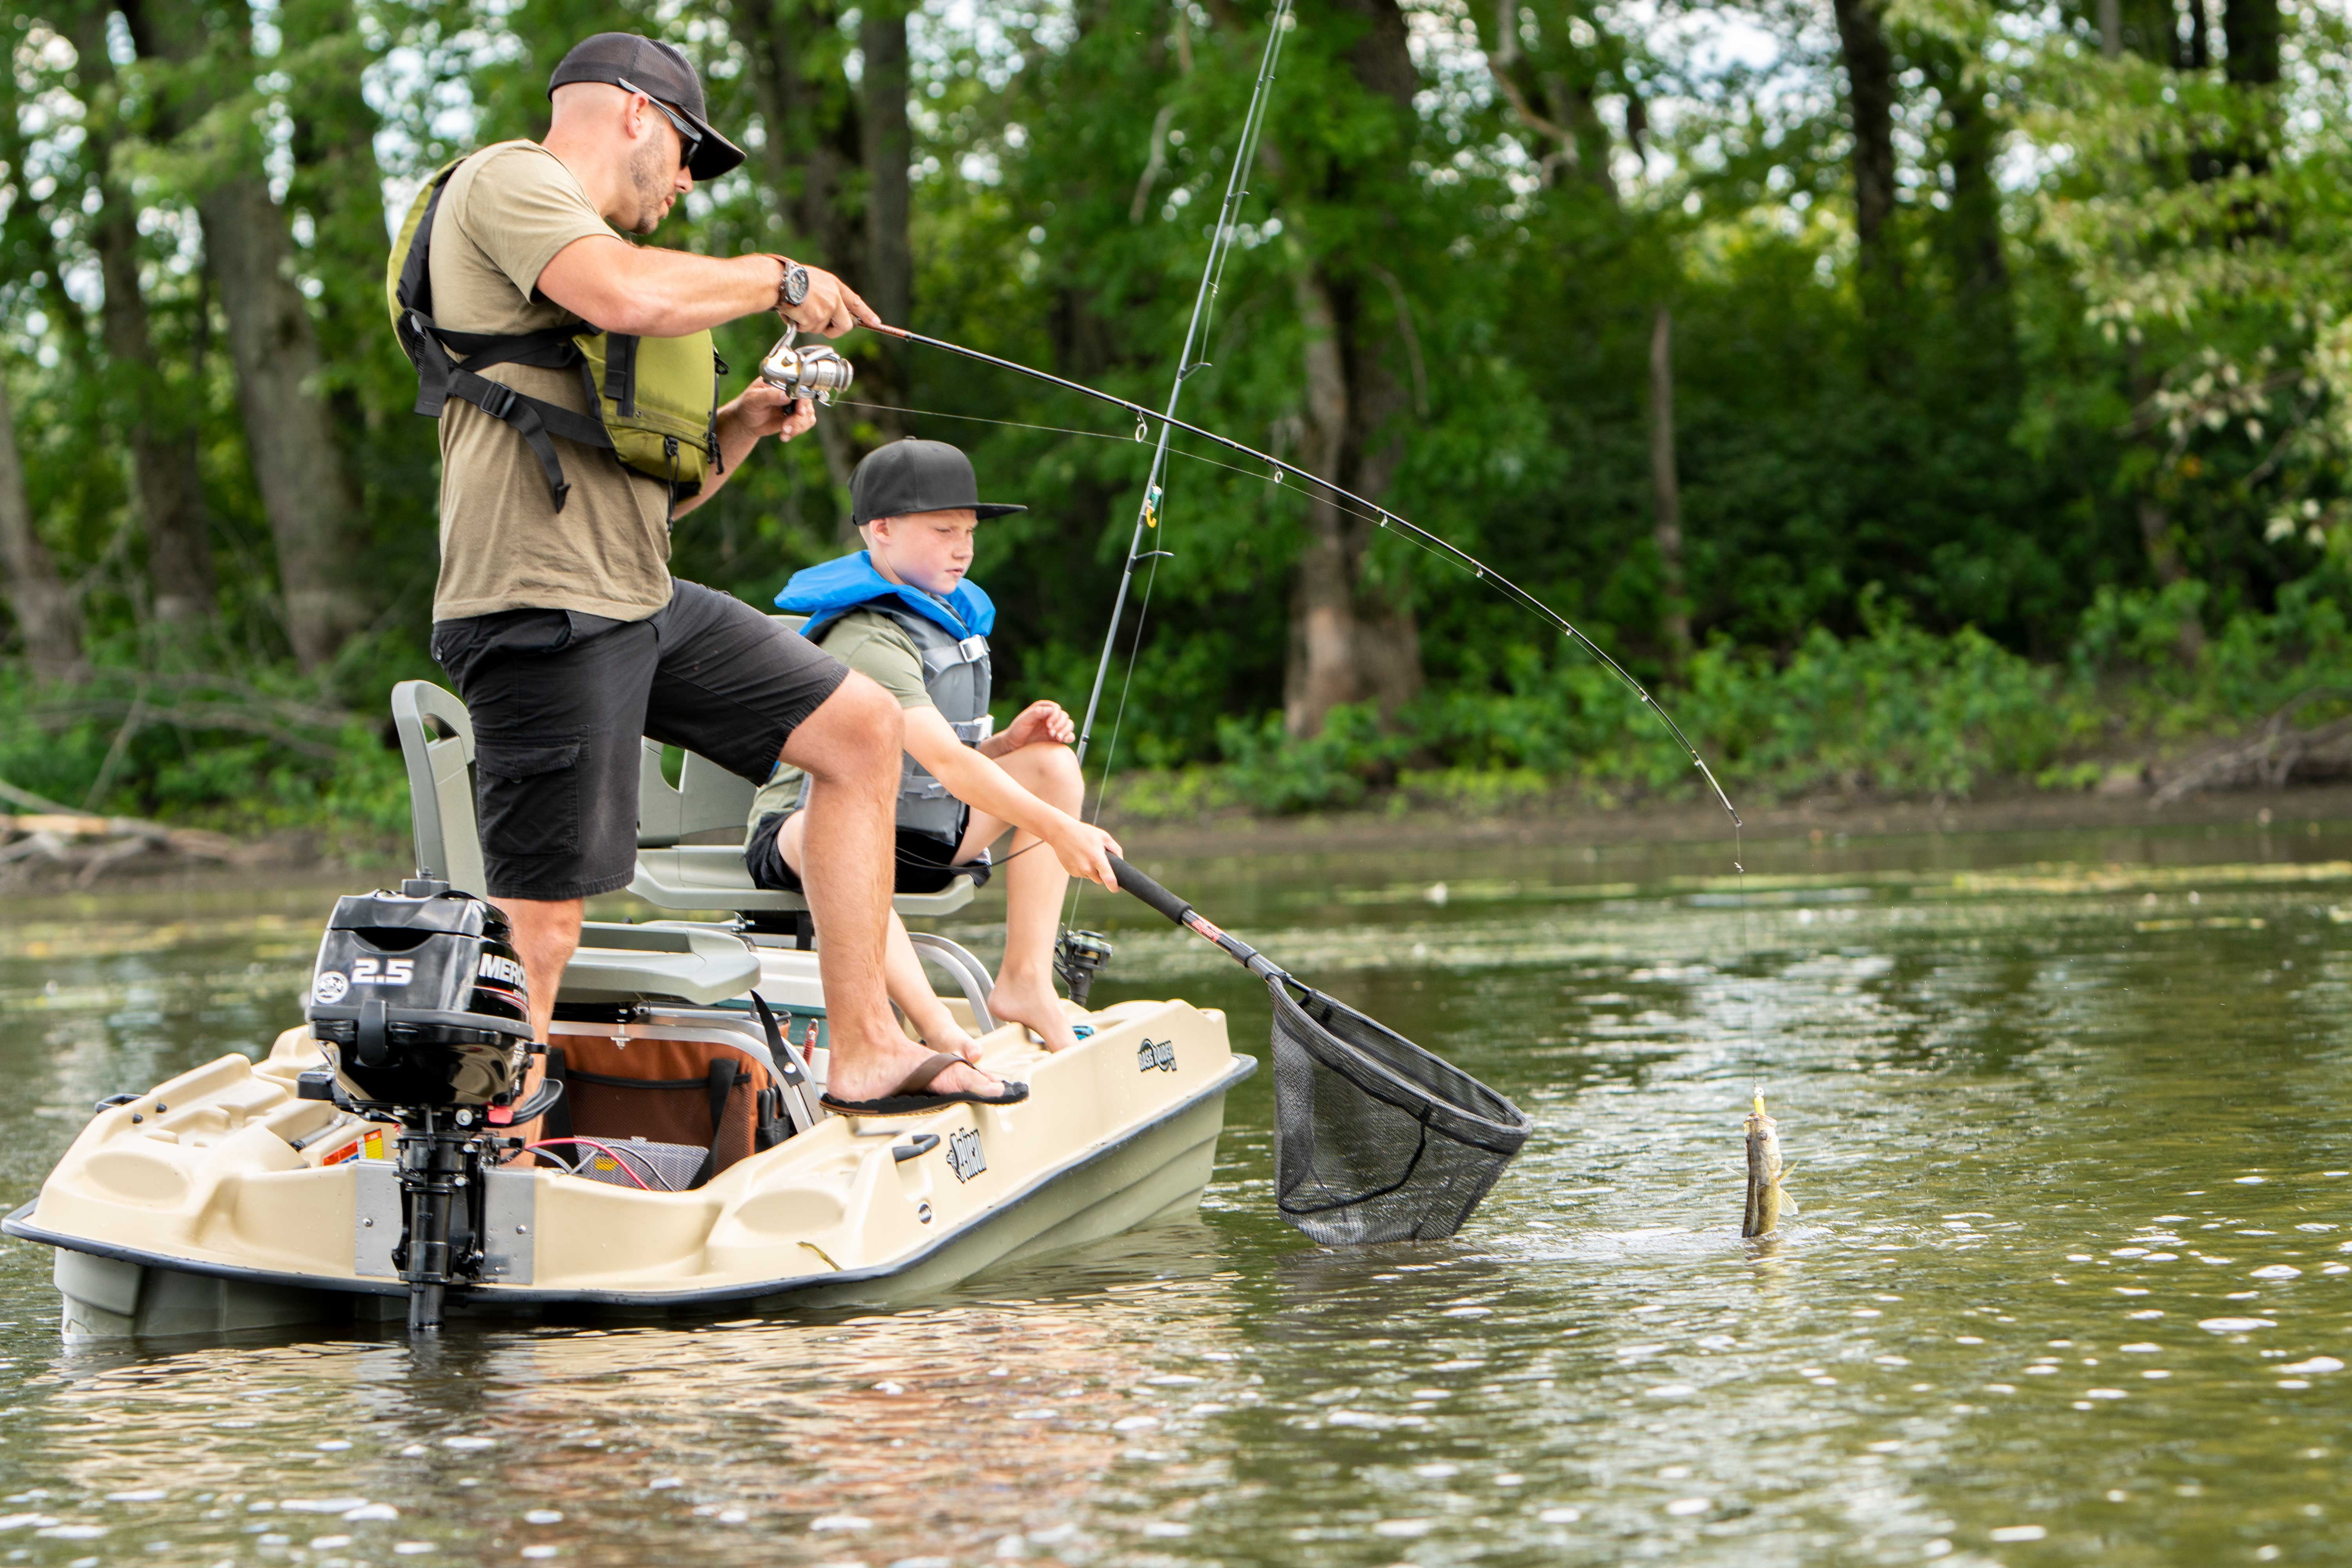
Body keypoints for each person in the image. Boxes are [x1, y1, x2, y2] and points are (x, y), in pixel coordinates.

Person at [418, 33, 1019, 1124]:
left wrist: (741, 421)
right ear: (635, 113)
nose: (688, 181)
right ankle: (498, 1147)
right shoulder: (512, 182)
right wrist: (778, 279)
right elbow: (624, 294)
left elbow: (656, 503)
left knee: (862, 731)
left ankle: (867, 1051)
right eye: (691, 151)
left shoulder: (583, 257)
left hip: (639, 599)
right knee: (543, 927)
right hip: (539, 609)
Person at [745, 439, 1123, 1058]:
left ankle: (1026, 984)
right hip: (811, 838)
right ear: (882, 529)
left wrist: (1004, 746)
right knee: (841, 834)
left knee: (1051, 766)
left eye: (969, 531)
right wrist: (1061, 831)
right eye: (945, 530)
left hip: (920, 836)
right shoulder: (867, 637)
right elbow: (947, 765)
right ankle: (936, 1029)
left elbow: (929, 766)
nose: (964, 547)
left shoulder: (943, 617)